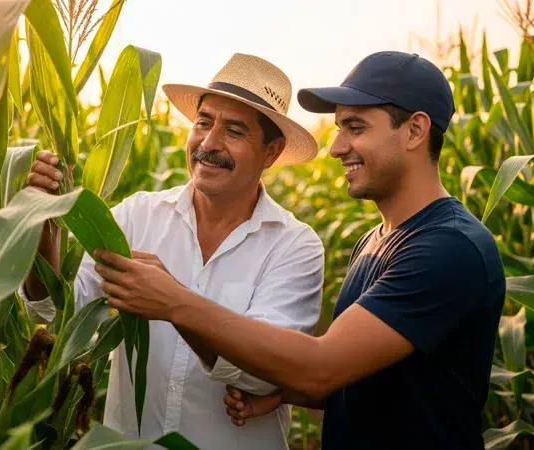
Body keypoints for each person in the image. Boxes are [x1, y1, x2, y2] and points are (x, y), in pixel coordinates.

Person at [94, 51, 506, 450]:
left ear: (415, 131)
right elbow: (385, 380)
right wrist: (286, 393)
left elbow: (322, 368)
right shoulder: (376, 242)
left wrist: (174, 301)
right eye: (340, 129)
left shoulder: (448, 249)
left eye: (356, 128)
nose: (337, 147)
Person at [20, 53, 325, 450]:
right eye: (203, 122)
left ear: (271, 151)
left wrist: (174, 303)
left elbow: (264, 376)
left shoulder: (295, 246)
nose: (209, 143)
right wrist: (44, 224)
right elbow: (54, 315)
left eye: (234, 130)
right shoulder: (135, 216)